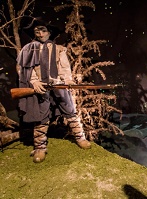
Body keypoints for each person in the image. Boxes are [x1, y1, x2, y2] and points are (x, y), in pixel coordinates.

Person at [16, 22, 91, 163]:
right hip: (40, 87)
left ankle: (81, 138)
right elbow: (24, 68)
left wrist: (67, 80)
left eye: (43, 30)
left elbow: (64, 68)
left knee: (70, 110)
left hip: (58, 85)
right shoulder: (29, 49)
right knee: (41, 116)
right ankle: (40, 147)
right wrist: (34, 82)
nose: (40, 34)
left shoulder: (59, 49)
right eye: (37, 31)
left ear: (49, 32)